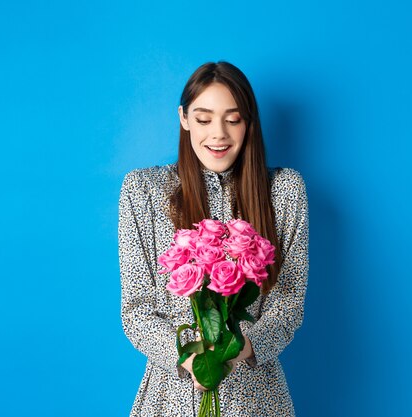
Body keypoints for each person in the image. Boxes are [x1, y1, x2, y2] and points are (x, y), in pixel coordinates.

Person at [119, 61, 309, 416]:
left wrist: (243, 347)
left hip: (258, 398)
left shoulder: (284, 192)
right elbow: (137, 310)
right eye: (204, 119)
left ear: (249, 123)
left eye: (233, 119)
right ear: (184, 118)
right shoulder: (142, 191)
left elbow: (288, 300)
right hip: (169, 397)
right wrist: (192, 358)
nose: (218, 134)